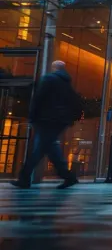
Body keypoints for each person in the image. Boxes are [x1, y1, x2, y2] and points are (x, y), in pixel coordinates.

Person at [11, 61, 79, 189]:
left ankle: (24, 178)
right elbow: (74, 102)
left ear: (53, 68)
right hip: (59, 121)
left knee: (39, 149)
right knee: (49, 148)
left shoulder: (48, 79)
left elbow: (39, 98)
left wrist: (32, 116)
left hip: (46, 119)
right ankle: (68, 177)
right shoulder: (67, 84)